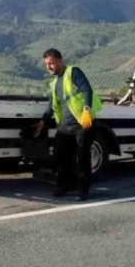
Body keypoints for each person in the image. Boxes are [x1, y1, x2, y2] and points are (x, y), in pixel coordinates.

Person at [33, 48, 103, 200]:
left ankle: (83, 190)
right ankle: (64, 186)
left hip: (82, 124)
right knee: (60, 156)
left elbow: (86, 89)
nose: (49, 67)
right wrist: (42, 122)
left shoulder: (73, 72)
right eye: (46, 64)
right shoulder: (54, 83)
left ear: (60, 61)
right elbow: (51, 106)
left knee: (82, 157)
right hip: (65, 127)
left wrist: (86, 109)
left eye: (51, 63)